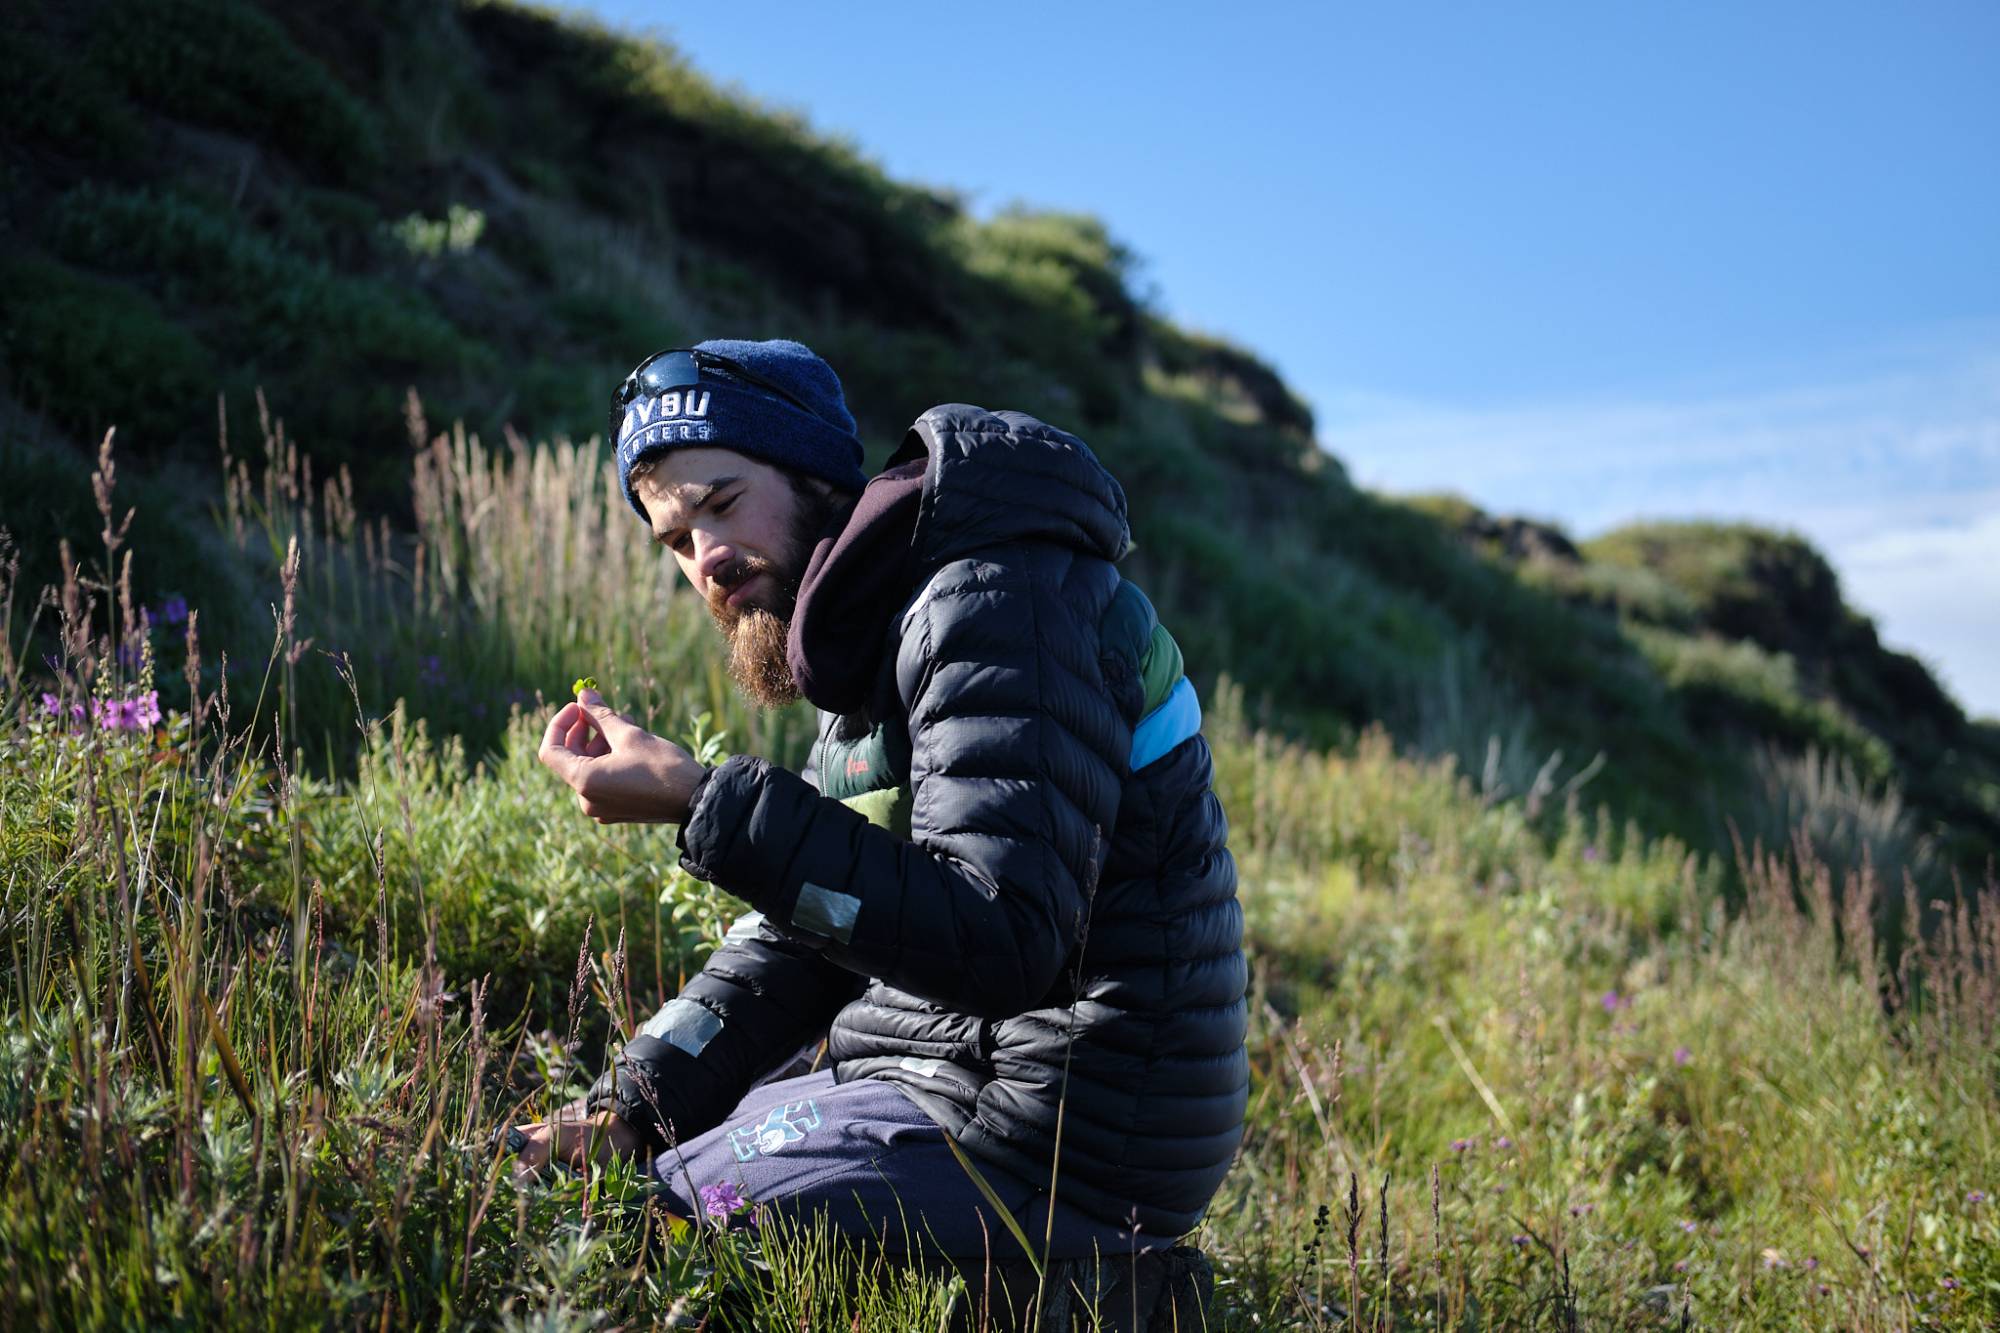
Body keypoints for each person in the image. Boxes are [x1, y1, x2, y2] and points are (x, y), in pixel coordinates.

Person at [515, 338, 1246, 1274]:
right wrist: (627, 1108)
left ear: (813, 469)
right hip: (946, 1083)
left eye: (723, 504)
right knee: (601, 1178)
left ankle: (1103, 1282)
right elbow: (806, 935)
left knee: (668, 1231)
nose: (709, 560)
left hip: (1059, 1135)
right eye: (676, 542)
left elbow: (1005, 936)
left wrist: (704, 801)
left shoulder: (996, 603)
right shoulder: (874, 638)